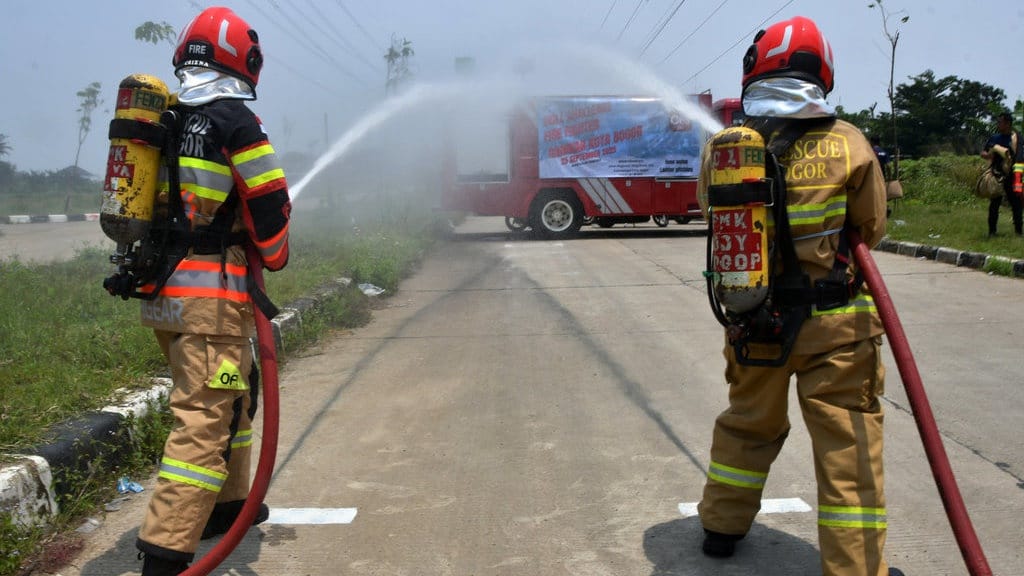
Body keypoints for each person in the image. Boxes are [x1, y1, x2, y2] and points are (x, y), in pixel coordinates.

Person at [696, 16, 904, 576]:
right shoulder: (849, 142)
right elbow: (871, 228)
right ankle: (855, 567)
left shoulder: (726, 147)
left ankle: (720, 526)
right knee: (846, 447)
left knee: (747, 423)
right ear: (823, 72)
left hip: (752, 318)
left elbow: (709, 211)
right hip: (835, 325)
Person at [134, 7, 291, 575]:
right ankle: (165, 552)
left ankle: (227, 510)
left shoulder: (167, 119)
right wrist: (273, 254)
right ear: (243, 60)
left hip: (165, 298)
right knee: (204, 421)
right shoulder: (236, 123)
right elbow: (270, 205)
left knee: (235, 398)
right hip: (211, 303)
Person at [980, 112, 1022, 237]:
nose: (998, 124)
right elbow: (984, 152)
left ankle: (1019, 232)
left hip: (1013, 175)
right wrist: (987, 155)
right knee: (994, 203)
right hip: (997, 175)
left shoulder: (1017, 139)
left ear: (1008, 123)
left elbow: (1021, 157)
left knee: (1016, 204)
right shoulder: (994, 138)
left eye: (1000, 122)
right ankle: (992, 232)